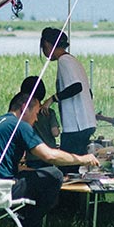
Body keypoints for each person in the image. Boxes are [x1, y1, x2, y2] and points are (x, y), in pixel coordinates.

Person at [0, 89, 99, 227]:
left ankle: (20, 219)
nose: (36, 119)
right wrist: (82, 159)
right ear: (24, 108)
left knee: (41, 173)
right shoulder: (19, 125)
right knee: (55, 175)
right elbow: (49, 156)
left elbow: (8, 165)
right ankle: (29, 224)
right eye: (36, 113)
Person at [40, 27, 96, 155]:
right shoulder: (72, 60)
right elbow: (88, 92)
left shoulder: (64, 61)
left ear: (47, 44)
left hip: (77, 125)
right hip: (85, 122)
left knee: (68, 164)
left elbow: (76, 87)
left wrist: (51, 99)